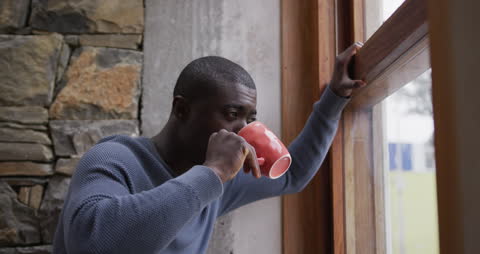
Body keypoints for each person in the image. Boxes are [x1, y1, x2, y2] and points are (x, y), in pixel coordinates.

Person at [53, 42, 366, 254]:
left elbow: (292, 173)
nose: (242, 132)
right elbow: (91, 242)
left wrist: (335, 96)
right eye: (232, 115)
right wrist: (213, 172)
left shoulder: (215, 183)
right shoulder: (114, 158)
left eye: (250, 119)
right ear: (181, 109)